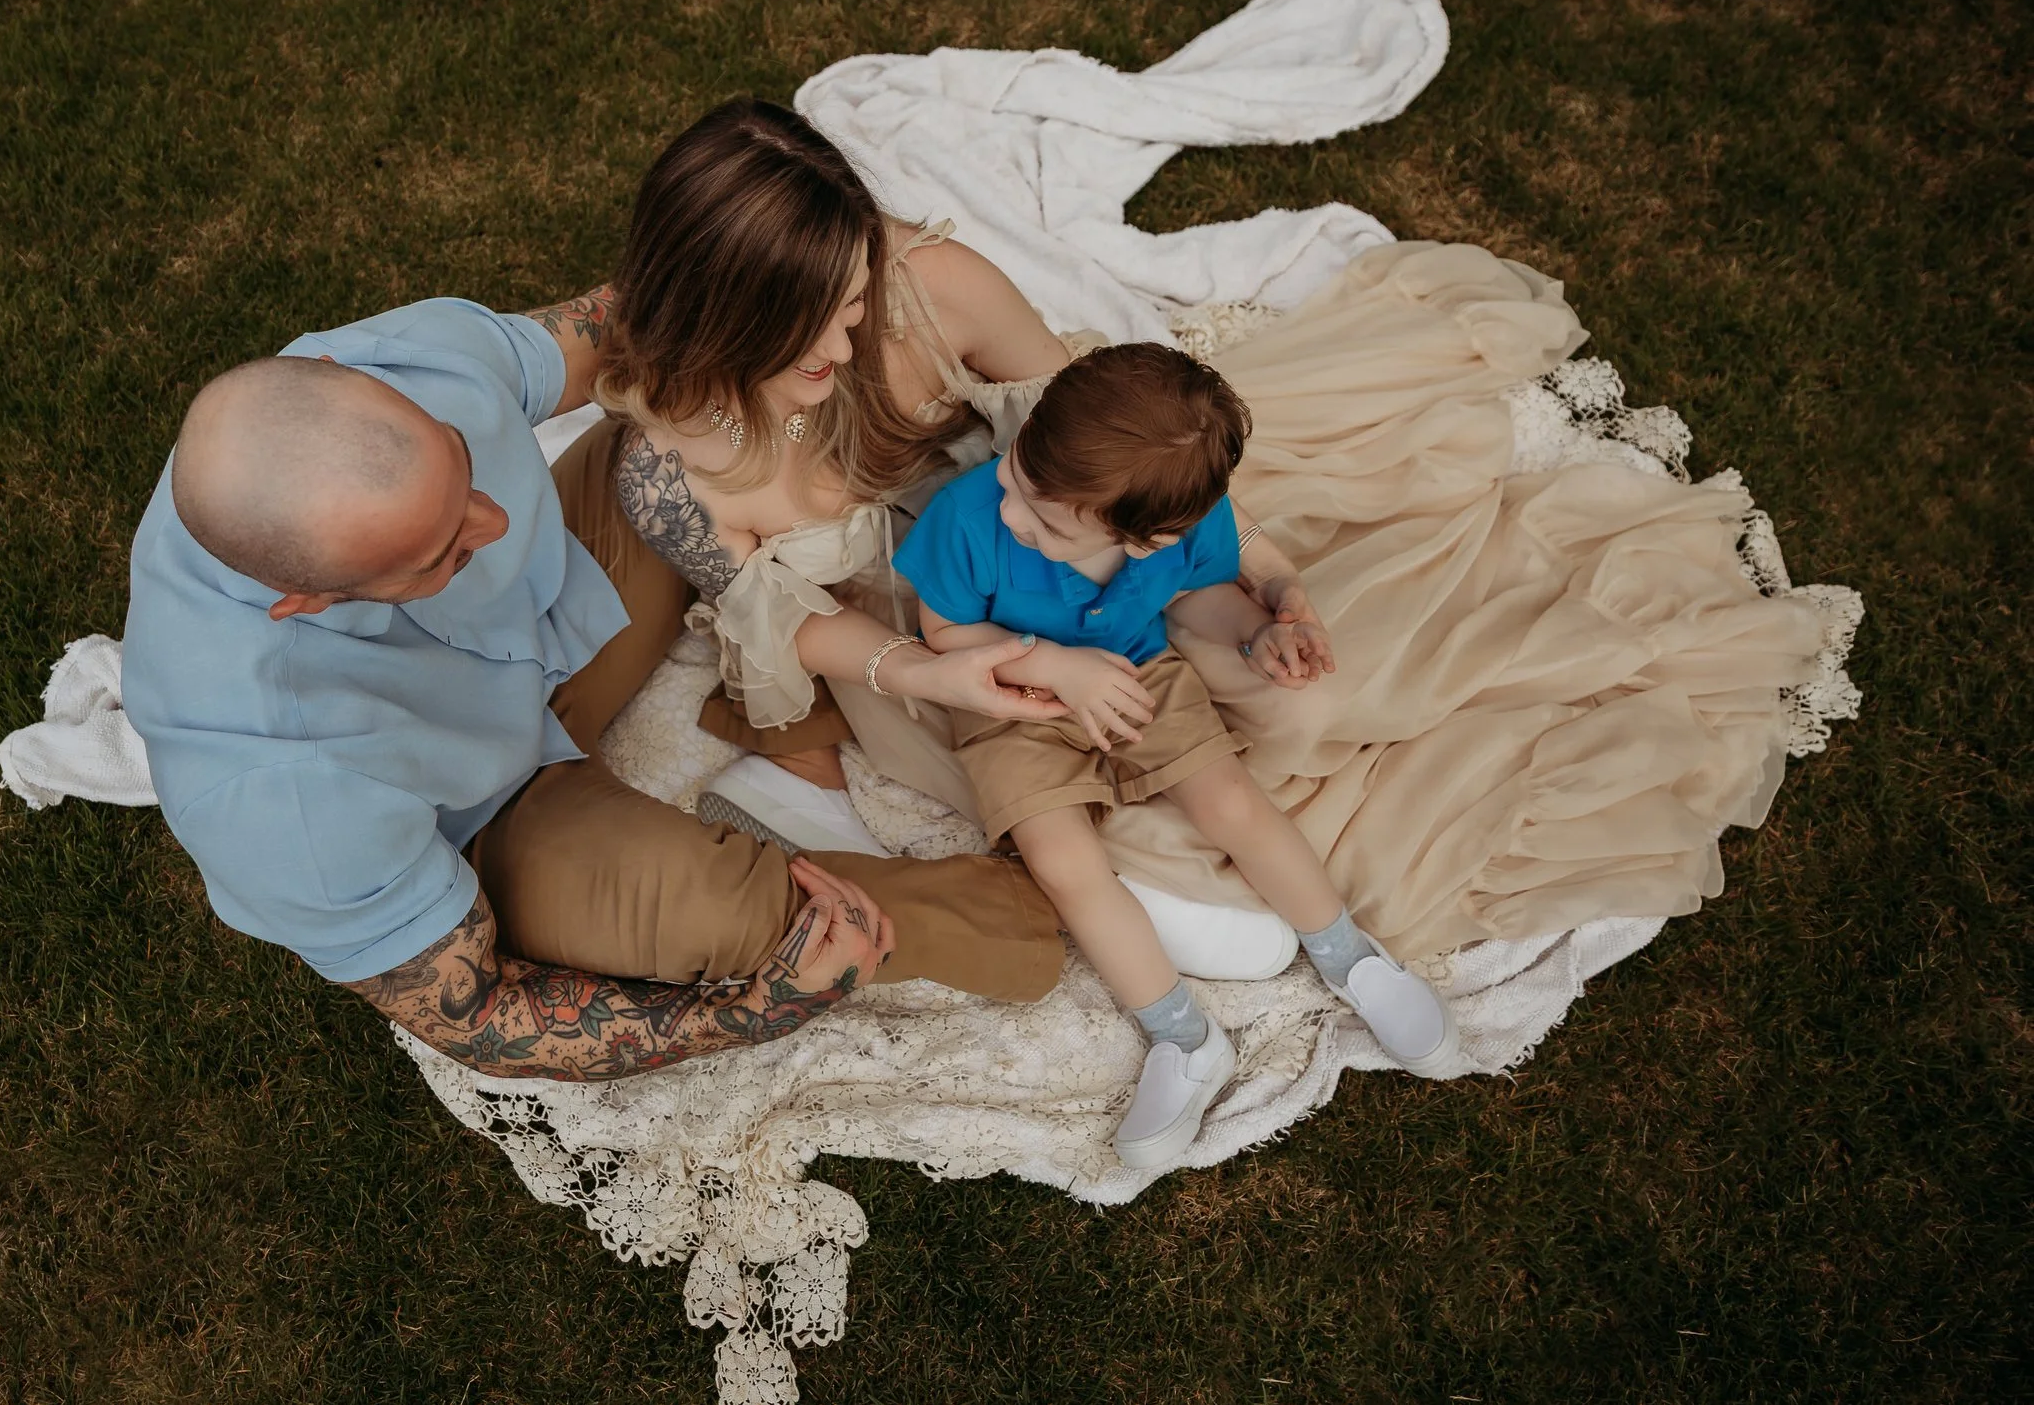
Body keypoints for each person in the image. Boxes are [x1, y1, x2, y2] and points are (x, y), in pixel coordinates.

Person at [598, 96, 1831, 988]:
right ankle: (1185, 905)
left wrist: (1215, 573)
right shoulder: (670, 472)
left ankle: (1255, 783)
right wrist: (941, 671)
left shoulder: (930, 288)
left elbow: (1084, 429)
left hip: (1056, 514)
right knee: (1106, 830)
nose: (852, 334)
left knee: (1298, 680)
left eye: (857, 298)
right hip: (922, 642)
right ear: (724, 316)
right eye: (816, 324)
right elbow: (803, 627)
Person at [119, 290, 1069, 1084]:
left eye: (464, 470)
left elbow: (635, 321)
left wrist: (798, 301)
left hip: (551, 630)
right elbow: (478, 1010)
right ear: (306, 602)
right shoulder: (275, 798)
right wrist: (752, 1013)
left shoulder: (404, 360)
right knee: (749, 920)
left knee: (675, 444)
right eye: (440, 551)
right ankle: (1061, 903)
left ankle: (796, 703)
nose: (492, 522)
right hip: (493, 814)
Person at [894, 343, 1457, 1167]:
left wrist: (1259, 631)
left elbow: (1203, 595)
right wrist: (1050, 663)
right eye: (1017, 471)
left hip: (1138, 672)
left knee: (1230, 800)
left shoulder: (1183, 538)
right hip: (1011, 696)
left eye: (1046, 519)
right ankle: (1182, 1035)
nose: (1013, 510)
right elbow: (947, 637)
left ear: (1154, 538)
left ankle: (1350, 956)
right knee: (1059, 856)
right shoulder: (969, 516)